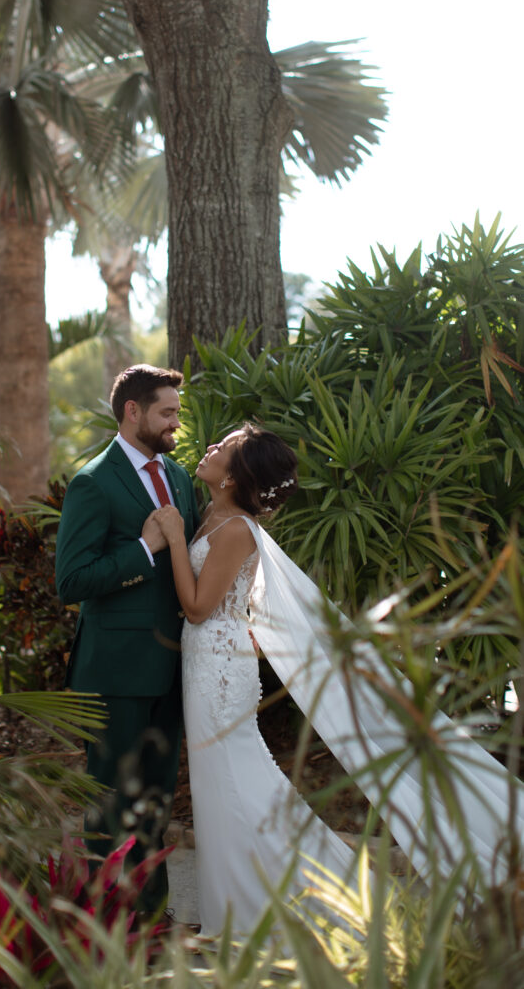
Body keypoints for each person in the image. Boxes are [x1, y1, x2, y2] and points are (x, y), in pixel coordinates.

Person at [152, 423, 524, 935]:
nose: (212, 447)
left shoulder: (236, 529)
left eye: (225, 448)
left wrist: (173, 539)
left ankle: (313, 900)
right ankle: (238, 906)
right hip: (206, 663)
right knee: (226, 785)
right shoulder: (213, 513)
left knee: (238, 781)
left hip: (217, 672)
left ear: (236, 477)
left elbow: (197, 608)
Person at [55, 364, 200, 918]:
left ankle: (151, 920)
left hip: (172, 668)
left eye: (177, 414)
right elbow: (71, 581)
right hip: (114, 673)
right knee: (112, 804)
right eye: (167, 413)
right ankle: (106, 923)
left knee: (155, 803)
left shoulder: (180, 477)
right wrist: (142, 550)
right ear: (132, 411)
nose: (175, 425)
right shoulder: (93, 481)